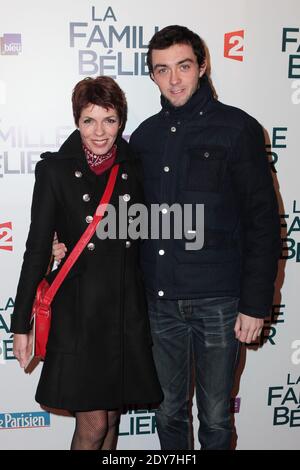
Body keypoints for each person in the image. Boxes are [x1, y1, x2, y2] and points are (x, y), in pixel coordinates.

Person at [53, 25, 281, 450]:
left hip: (220, 302)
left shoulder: (238, 129)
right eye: (162, 69)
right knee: (168, 411)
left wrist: (254, 304)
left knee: (215, 416)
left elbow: (263, 223)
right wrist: (63, 238)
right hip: (159, 304)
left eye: (183, 66)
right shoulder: (143, 138)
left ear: (202, 66)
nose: (174, 79)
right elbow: (102, 196)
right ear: (153, 76)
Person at [11, 76, 163, 450]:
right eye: (89, 120)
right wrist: (20, 325)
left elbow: (147, 234)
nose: (99, 132)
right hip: (79, 316)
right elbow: (34, 250)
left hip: (126, 313)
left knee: (111, 420)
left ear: (121, 122)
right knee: (93, 424)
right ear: (76, 121)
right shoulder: (55, 171)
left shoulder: (135, 169)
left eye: (109, 120)